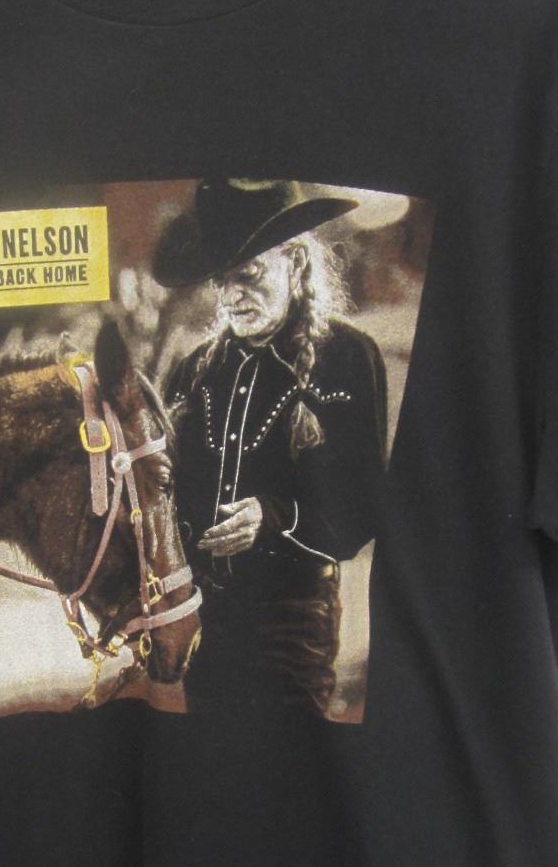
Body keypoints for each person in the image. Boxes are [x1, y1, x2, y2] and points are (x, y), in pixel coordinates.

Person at [153, 178, 390, 716]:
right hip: (205, 623)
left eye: (250, 275)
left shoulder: (347, 358)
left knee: (290, 752)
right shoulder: (190, 374)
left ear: (296, 263)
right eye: (222, 281)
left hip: (294, 624)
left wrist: (273, 516)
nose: (232, 296)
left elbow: (363, 508)